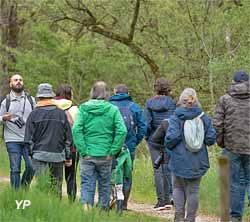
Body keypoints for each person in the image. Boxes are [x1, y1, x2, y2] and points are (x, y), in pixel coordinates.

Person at [72, 81, 127, 211]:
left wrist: (83, 150)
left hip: (88, 154)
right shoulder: (112, 109)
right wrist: (113, 151)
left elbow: (76, 130)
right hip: (105, 155)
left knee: (87, 185)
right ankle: (103, 213)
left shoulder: (84, 108)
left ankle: (86, 213)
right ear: (106, 94)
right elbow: (122, 131)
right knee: (104, 185)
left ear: (92, 92)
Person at [165, 88, 216, 222]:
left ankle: (179, 216)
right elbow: (211, 139)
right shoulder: (203, 117)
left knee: (177, 187)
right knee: (193, 191)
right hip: (198, 161)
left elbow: (170, 140)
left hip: (178, 160)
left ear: (181, 101)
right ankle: (191, 218)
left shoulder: (176, 117)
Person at [24, 83, 72, 198]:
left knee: (42, 187)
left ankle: (43, 212)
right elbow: (68, 138)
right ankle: (56, 212)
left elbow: (28, 140)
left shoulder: (33, 114)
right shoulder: (61, 113)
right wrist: (68, 156)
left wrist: (32, 154)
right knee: (57, 187)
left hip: (39, 156)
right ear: (52, 97)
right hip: (57, 156)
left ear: (39, 97)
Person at [213, 71, 250, 222]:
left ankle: (235, 217)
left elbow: (217, 124)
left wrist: (222, 142)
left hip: (232, 147)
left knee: (234, 183)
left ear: (234, 82)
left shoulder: (225, 100)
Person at [109, 84, 146, 210]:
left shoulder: (109, 107)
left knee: (110, 172)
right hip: (129, 145)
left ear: (114, 92)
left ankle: (110, 200)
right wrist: (136, 140)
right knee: (126, 174)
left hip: (111, 145)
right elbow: (142, 127)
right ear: (128, 93)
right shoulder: (134, 107)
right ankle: (123, 204)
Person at [144, 77, 176, 210]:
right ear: (167, 89)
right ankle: (170, 199)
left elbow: (146, 123)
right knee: (168, 168)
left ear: (156, 88)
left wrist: (147, 137)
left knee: (157, 169)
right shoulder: (173, 103)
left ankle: (161, 201)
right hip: (169, 140)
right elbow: (175, 120)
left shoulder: (149, 103)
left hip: (154, 140)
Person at [0, 74, 34, 189]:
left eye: (20, 80)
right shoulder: (6, 101)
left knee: (32, 167)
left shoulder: (31, 99)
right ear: (11, 84)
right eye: (15, 80)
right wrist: (4, 118)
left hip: (28, 139)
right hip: (12, 139)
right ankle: (16, 195)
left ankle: (23, 189)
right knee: (15, 169)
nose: (18, 82)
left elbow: (36, 117)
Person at [54, 84, 79, 202]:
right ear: (69, 95)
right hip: (72, 148)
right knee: (71, 176)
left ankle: (55, 201)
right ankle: (71, 201)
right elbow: (78, 129)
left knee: (55, 177)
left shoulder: (51, 107)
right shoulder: (74, 109)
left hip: (54, 148)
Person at [110, 145, 132, 215]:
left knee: (108, 192)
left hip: (108, 175)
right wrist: (127, 175)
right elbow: (128, 165)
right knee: (119, 192)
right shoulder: (125, 150)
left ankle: (106, 208)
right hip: (119, 175)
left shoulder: (108, 145)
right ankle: (119, 211)